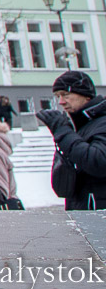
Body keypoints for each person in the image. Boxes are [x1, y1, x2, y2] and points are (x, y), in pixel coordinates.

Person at [40, 70, 106, 210]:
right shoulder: (83, 124)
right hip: (87, 209)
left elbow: (99, 162)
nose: (61, 102)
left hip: (98, 213)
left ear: (86, 95)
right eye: (58, 96)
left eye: (65, 94)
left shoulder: (102, 122)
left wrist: (63, 132)